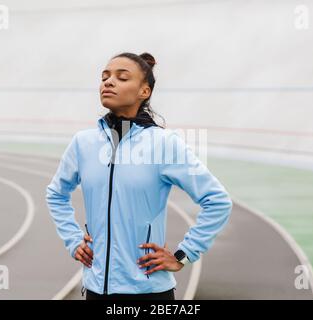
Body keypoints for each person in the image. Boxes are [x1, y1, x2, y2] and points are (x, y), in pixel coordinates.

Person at [45, 52, 233, 300]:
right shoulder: (83, 143)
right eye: (105, 77)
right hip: (94, 289)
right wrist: (73, 240)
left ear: (144, 91)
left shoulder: (164, 144)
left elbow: (217, 201)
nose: (108, 82)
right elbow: (56, 194)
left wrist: (183, 255)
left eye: (122, 78)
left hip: (148, 293)